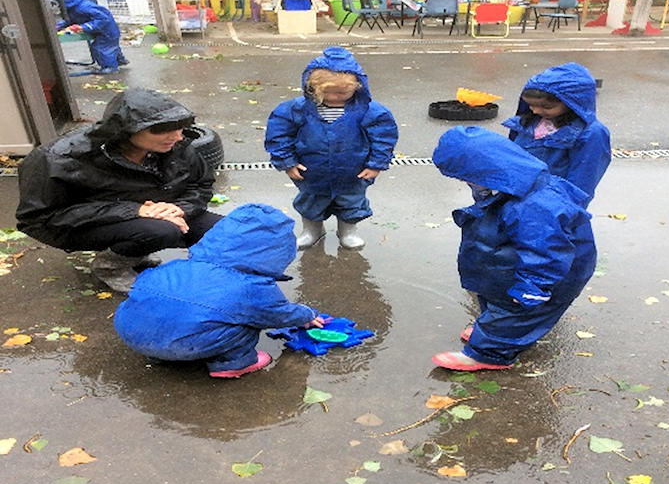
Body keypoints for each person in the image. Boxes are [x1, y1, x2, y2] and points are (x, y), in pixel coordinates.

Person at [16, 88, 222, 293]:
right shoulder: (57, 158)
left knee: (223, 229)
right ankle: (110, 266)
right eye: (162, 129)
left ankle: (137, 250)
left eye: (180, 127)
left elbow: (201, 184)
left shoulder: (179, 145)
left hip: (150, 209)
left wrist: (177, 208)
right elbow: (38, 218)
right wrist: (133, 211)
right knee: (160, 232)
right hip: (82, 223)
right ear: (126, 130)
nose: (177, 136)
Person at [430, 126, 597, 371]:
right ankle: (490, 329)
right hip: (514, 259)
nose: (465, 182)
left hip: (548, 272)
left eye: (466, 177)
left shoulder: (534, 206)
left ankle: (489, 354)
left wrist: (533, 286)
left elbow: (547, 251)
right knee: (496, 295)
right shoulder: (511, 186)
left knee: (516, 310)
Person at [113, 203, 326, 379]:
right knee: (247, 322)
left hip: (132, 334)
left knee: (161, 307)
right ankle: (233, 364)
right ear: (277, 253)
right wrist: (308, 315)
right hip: (186, 345)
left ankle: (159, 355)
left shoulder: (176, 266)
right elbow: (279, 313)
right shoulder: (254, 287)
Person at [265, 46, 398, 250]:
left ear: (357, 86)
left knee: (352, 201)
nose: (336, 97)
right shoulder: (296, 109)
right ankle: (312, 230)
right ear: (313, 88)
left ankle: (348, 231)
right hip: (311, 171)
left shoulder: (369, 111)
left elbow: (384, 136)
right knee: (310, 201)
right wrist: (287, 161)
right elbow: (279, 134)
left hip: (353, 172)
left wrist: (376, 164)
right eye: (329, 93)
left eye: (342, 92)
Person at [501, 62, 611, 203]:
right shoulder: (527, 121)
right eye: (530, 105)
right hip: (514, 201)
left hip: (551, 209)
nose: (536, 111)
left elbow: (580, 188)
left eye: (547, 107)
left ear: (572, 103)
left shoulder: (591, 134)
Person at [47, 0, 128, 74]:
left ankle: (110, 68)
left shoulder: (83, 7)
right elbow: (70, 20)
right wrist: (59, 26)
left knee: (101, 48)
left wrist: (83, 27)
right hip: (100, 30)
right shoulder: (72, 9)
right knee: (110, 47)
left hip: (107, 30)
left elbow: (103, 19)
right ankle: (119, 60)